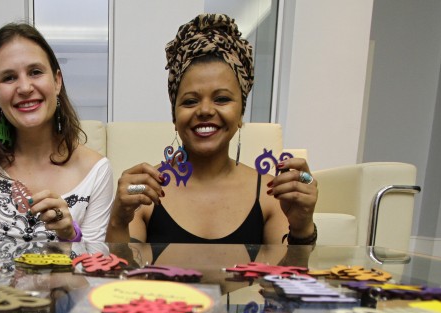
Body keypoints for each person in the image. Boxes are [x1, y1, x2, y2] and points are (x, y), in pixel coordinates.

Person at [106, 13, 318, 246]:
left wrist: (302, 228)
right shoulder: (146, 194)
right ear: (175, 117)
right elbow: (123, 268)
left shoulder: (271, 194)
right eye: (190, 101)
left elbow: (288, 270)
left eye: (222, 99)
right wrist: (118, 220)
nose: (205, 110)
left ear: (241, 114)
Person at [0, 22, 114, 245]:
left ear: (57, 81)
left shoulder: (96, 171)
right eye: (9, 77)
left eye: (35, 72)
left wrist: (70, 235)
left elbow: (95, 265)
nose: (25, 88)